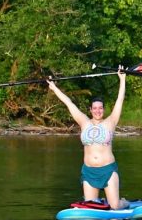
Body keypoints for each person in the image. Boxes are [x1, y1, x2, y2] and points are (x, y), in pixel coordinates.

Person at [48, 69, 127, 209]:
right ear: (90, 110)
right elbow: (69, 103)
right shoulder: (83, 121)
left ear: (103, 109)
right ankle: (102, 201)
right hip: (89, 172)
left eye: (100, 108)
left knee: (115, 206)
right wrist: (54, 87)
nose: (98, 111)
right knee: (91, 207)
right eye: (95, 108)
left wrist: (122, 79)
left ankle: (124, 202)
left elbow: (119, 100)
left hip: (108, 170)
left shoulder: (111, 121)